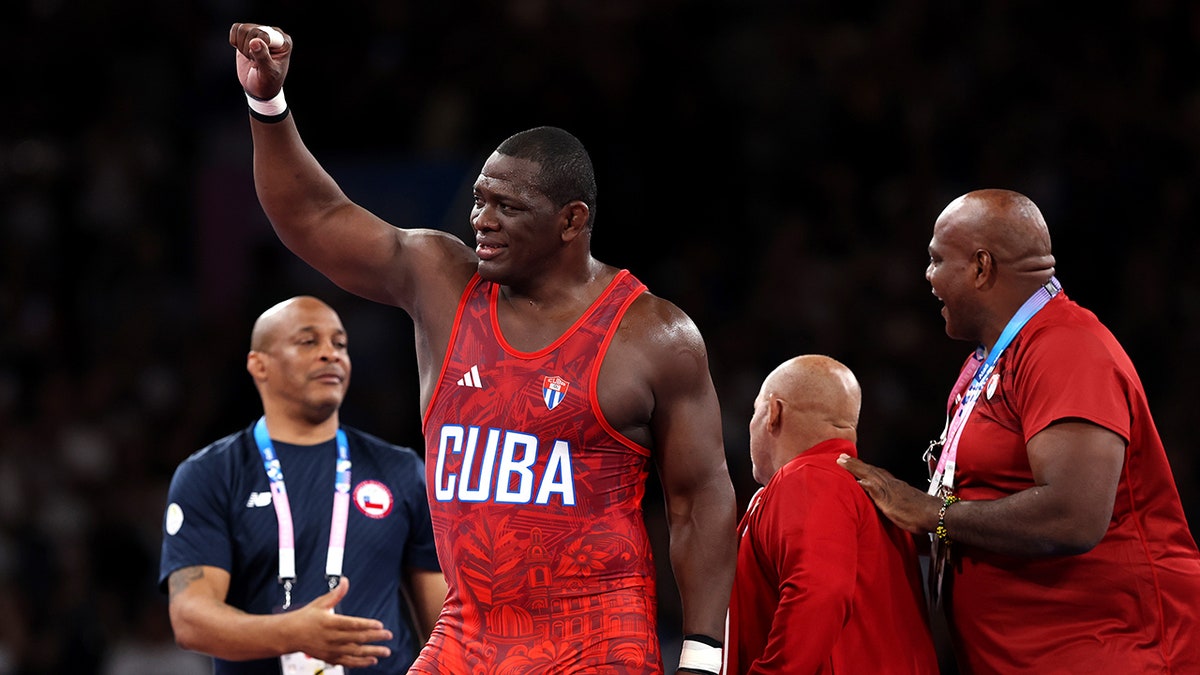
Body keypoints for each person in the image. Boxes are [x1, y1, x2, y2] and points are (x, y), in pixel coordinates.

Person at [226, 23, 737, 675]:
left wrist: (702, 655)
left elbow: (700, 500)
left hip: (592, 646)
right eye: (478, 200)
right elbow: (314, 217)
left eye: (507, 206)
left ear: (571, 220)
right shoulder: (441, 282)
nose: (481, 220)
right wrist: (268, 103)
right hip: (468, 636)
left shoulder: (652, 335)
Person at [838, 189, 1200, 673]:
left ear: (981, 267)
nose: (928, 277)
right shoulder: (989, 362)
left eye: (936, 259)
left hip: (1116, 653)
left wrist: (931, 512)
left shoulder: (1067, 349)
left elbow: (1073, 516)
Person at [159, 296, 446, 674]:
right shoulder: (212, 474)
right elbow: (191, 620)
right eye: (308, 341)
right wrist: (292, 632)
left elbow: (444, 623)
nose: (330, 354)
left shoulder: (401, 469)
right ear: (258, 365)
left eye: (339, 343)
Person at [727, 354, 939, 674]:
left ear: (773, 412)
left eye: (755, 411)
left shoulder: (808, 477)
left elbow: (818, 594)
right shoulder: (871, 491)